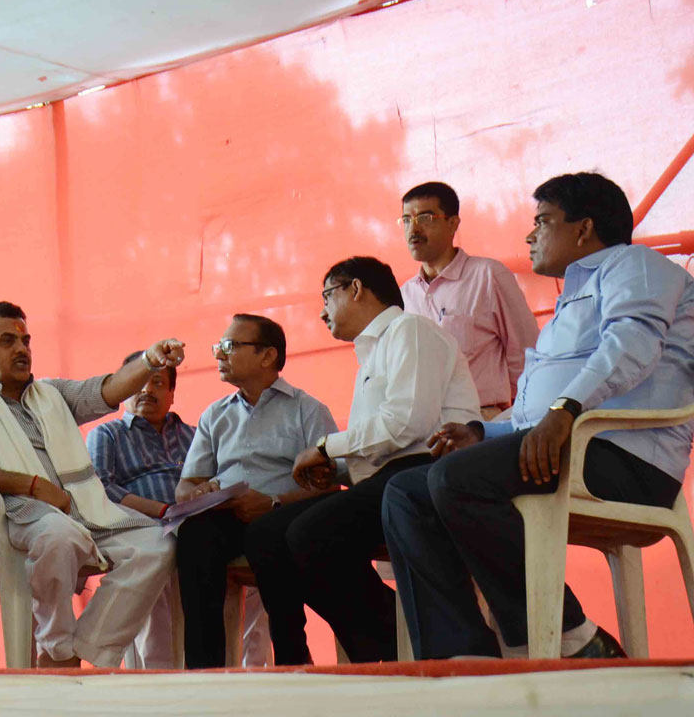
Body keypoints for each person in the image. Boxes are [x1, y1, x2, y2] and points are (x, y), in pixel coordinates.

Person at [382, 173, 694, 660]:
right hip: (563, 444)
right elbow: (532, 412)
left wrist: (566, 409)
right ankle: (463, 656)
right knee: (404, 492)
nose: (530, 236)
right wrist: (482, 431)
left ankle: (571, 638)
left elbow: (631, 344)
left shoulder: (637, 264)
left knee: (455, 480)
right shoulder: (569, 300)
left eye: (542, 221)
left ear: (584, 227)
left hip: (628, 458)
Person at [245, 257, 480, 664]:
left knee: (311, 535)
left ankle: (398, 643)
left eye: (326, 296)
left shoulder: (411, 330)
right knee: (266, 536)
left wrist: (325, 448)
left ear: (355, 289)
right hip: (386, 476)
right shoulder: (371, 354)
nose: (322, 312)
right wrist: (333, 468)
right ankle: (296, 662)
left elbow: (409, 422)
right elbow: (382, 441)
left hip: (425, 473)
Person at [0, 301, 181, 668]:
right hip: (3, 518)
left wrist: (148, 362)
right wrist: (30, 485)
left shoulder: (49, 394)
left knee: (157, 544)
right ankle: (56, 645)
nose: (21, 349)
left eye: (25, 341)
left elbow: (108, 390)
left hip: (81, 513)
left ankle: (80, 649)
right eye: (7, 341)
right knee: (58, 535)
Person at [175, 315, 336, 669]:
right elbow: (187, 483)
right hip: (228, 516)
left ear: (267, 356)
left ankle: (293, 657)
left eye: (229, 346)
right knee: (193, 535)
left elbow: (331, 488)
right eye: (219, 346)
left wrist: (273, 504)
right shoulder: (215, 414)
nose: (219, 353)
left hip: (284, 515)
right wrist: (200, 490)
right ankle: (204, 669)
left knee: (270, 535)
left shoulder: (307, 410)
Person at [86, 349, 200, 669]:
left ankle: (248, 671)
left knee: (248, 559)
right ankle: (159, 678)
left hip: (196, 524)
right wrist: (162, 510)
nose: (147, 390)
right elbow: (101, 489)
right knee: (159, 552)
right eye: (138, 382)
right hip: (139, 527)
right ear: (123, 388)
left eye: (158, 383)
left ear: (172, 393)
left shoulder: (195, 435)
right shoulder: (107, 434)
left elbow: (215, 477)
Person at [398, 182, 539, 418]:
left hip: (480, 419)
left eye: (425, 218)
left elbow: (526, 352)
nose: (413, 229)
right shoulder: (404, 296)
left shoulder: (488, 275)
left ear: (453, 223)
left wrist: (517, 415)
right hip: (423, 426)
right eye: (406, 220)